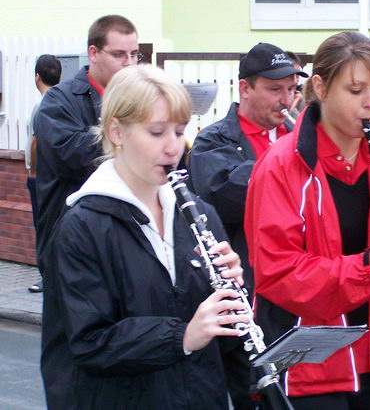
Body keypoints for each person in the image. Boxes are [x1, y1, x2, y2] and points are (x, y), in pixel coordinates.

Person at [40, 64, 249, 410]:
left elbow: (222, 339)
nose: (174, 147)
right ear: (117, 132)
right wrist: (182, 336)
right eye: (156, 132)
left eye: (180, 131)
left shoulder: (198, 213)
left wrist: (233, 294)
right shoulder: (82, 225)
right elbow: (90, 343)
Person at [244, 31, 370, 410]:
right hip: (307, 356)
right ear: (321, 87)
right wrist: (366, 266)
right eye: (356, 90)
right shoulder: (282, 164)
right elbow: (276, 273)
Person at [188, 42, 307, 409]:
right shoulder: (214, 140)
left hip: (298, 291)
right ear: (245, 89)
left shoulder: (297, 137)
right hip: (251, 300)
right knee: (255, 397)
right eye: (275, 89)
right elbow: (231, 196)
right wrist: (297, 165)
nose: (286, 100)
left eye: (292, 89)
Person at [34, 14, 140, 274]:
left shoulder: (140, 101)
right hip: (71, 244)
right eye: (119, 55)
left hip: (127, 240)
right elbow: (73, 156)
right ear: (93, 53)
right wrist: (133, 135)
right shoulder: (59, 100)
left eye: (135, 55)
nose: (129, 64)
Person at [25, 54, 62, 293]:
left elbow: (36, 141)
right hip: (57, 176)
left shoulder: (43, 105)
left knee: (44, 227)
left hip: (43, 177)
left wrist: (34, 173)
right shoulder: (63, 101)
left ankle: (46, 277)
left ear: (37, 76)